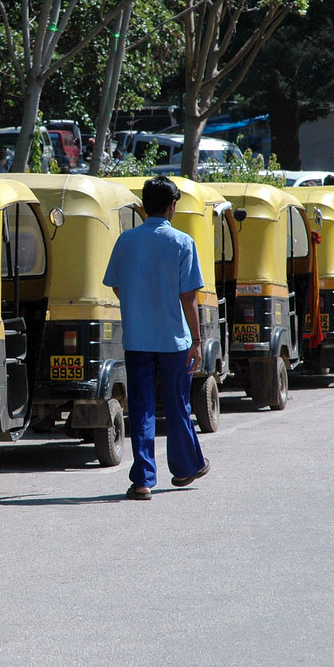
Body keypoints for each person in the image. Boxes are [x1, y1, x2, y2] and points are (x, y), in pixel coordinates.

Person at [102, 176, 209, 500]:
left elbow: (116, 285)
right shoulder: (182, 242)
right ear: (172, 206)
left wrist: (138, 304)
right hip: (174, 340)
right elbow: (188, 297)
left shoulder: (126, 241)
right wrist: (197, 340)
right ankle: (186, 467)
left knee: (142, 408)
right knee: (177, 404)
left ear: (144, 206)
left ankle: (143, 481)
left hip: (137, 339)